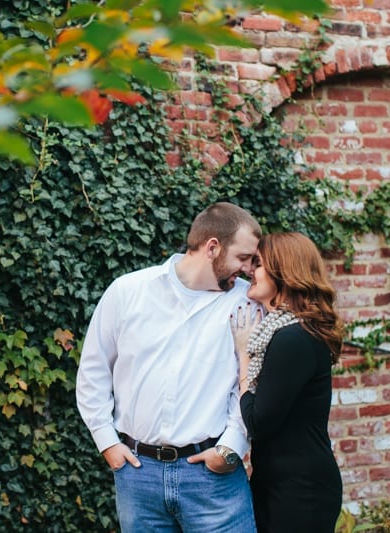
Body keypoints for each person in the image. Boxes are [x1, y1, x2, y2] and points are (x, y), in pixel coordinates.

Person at [76, 202, 261, 532]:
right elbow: (94, 370)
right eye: (243, 258)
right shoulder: (128, 291)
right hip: (137, 475)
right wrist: (107, 442)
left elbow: (250, 382)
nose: (248, 269)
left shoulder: (246, 302)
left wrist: (231, 448)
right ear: (213, 247)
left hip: (212, 477)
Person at [230, 232, 343, 533]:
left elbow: (258, 422)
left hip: (300, 492)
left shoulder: (292, 339)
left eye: (259, 264)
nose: (249, 271)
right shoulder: (285, 332)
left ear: (284, 272)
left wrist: (243, 356)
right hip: (279, 482)